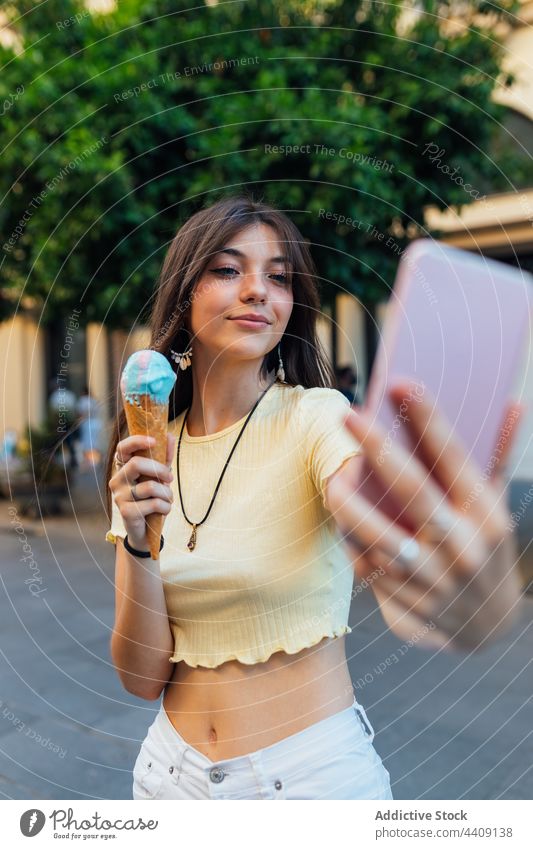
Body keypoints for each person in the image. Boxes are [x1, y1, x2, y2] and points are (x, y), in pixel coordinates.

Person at [105, 195, 522, 801]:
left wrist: (469, 587)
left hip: (306, 784)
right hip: (168, 778)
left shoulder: (316, 418)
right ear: (183, 295)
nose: (258, 290)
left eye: (279, 277)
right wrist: (140, 545)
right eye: (228, 270)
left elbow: (373, 510)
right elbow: (141, 678)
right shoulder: (148, 451)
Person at [76, 385, 103, 466]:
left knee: (88, 443)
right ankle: (96, 461)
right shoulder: (94, 400)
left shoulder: (82, 401)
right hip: (96, 423)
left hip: (87, 424)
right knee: (95, 442)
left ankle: (90, 462)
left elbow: (79, 414)